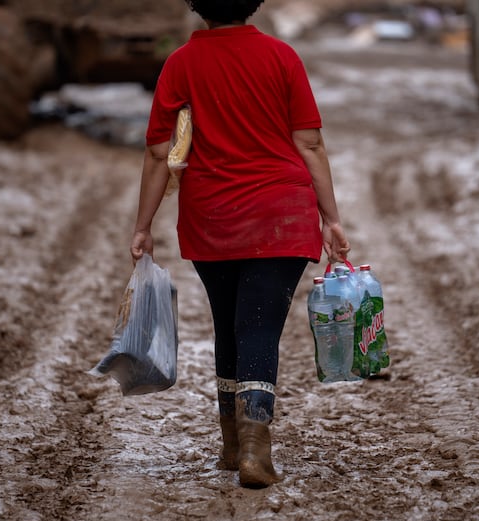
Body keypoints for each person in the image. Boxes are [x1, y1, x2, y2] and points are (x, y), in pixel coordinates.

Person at [130, 0, 350, 489]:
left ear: (197, 5)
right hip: (282, 215)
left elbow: (157, 151)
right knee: (258, 326)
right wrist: (331, 219)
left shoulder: (181, 63)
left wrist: (143, 225)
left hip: (213, 215)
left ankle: (233, 444)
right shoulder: (281, 57)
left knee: (230, 323)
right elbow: (309, 143)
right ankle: (254, 446)